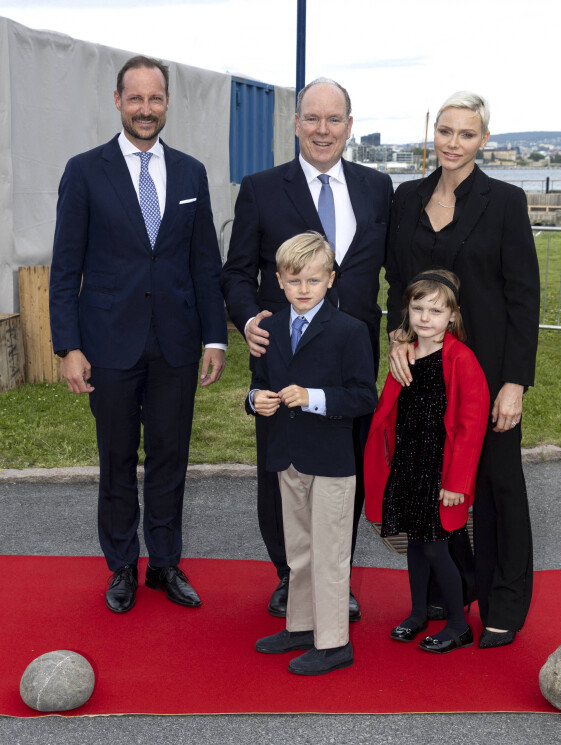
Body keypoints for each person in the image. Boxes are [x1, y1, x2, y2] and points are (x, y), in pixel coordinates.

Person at [49, 55, 228, 614]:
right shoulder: (84, 171)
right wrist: (68, 345)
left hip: (175, 344)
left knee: (172, 457)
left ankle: (166, 564)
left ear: (167, 102)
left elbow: (204, 264)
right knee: (118, 458)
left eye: (155, 99)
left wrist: (214, 339)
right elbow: (64, 267)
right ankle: (123, 564)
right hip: (108, 343)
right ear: (118, 101)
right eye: (136, 99)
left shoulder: (192, 172)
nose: (146, 110)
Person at [221, 78, 393, 621]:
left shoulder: (378, 187)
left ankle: (333, 578)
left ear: (349, 125)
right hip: (282, 354)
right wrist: (247, 319)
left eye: (334, 119)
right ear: (296, 123)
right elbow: (235, 274)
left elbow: (397, 268)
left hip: (352, 356)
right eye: (312, 118)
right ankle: (290, 578)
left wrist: (411, 330)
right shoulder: (261, 187)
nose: (323, 130)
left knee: (346, 472)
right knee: (282, 471)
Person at [385, 92, 540, 648]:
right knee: (430, 481)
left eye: (466, 134)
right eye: (445, 131)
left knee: (497, 484)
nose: (453, 143)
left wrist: (515, 382)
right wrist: (398, 338)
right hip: (424, 368)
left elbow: (524, 296)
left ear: (484, 141)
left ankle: (504, 601)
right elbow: (395, 282)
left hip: (489, 369)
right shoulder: (406, 198)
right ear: (435, 135)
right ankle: (444, 595)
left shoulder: (504, 201)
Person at [250, 232, 377, 675]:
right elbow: (256, 383)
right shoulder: (266, 329)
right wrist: (256, 401)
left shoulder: (350, 331)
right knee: (298, 550)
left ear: (330, 280)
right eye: (294, 280)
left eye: (313, 280)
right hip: (287, 456)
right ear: (279, 282)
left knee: (329, 553)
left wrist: (313, 397)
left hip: (332, 461)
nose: (303, 289)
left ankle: (334, 642)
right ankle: (302, 626)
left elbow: (364, 397)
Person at [365, 270, 489, 653]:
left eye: (435, 311)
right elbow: (389, 411)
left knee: (436, 547)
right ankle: (418, 612)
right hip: (408, 465)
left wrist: (457, 482)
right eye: (417, 307)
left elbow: (471, 426)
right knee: (415, 544)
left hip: (441, 470)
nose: (424, 317)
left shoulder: (461, 359)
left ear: (452, 316)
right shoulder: (405, 356)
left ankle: (458, 623)